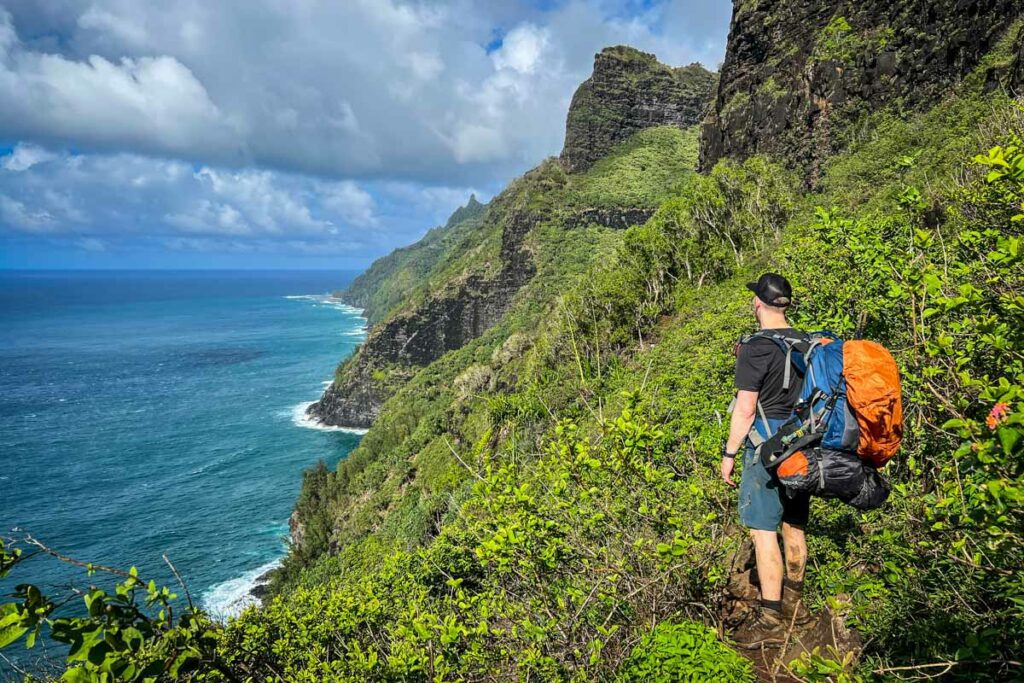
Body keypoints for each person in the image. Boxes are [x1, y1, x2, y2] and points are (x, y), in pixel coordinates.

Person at [721, 273, 813, 649]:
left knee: (763, 533)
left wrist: (728, 455)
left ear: (758, 304)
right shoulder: (808, 343)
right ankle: (796, 607)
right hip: (804, 447)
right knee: (794, 526)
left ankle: (771, 616)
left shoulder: (756, 347)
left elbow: (744, 411)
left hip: (765, 448)